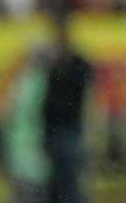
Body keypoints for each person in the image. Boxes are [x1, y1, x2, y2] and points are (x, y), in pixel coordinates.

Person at [42, 11, 93, 203]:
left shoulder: (77, 62)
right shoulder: (48, 63)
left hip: (70, 130)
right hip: (51, 132)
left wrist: (62, 66)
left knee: (70, 187)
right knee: (54, 188)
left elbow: (85, 81)